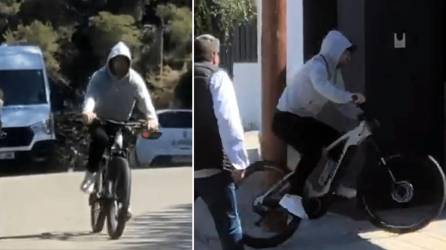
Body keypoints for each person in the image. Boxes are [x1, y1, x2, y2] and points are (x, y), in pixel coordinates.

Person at [273, 30, 366, 218]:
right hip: (285, 118)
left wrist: (360, 115)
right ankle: (293, 195)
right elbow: (324, 89)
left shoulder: (335, 73)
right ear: (335, 50)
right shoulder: (317, 66)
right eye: (346, 52)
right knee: (313, 150)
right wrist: (352, 96)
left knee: (339, 143)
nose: (349, 57)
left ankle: (330, 183)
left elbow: (339, 102)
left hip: (303, 119)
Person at [80, 41, 159, 204]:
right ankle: (91, 175)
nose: (121, 66)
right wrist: (88, 111)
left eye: (124, 62)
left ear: (129, 63)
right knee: (100, 140)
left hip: (121, 123)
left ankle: (123, 202)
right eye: (118, 61)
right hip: (99, 120)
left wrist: (152, 118)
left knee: (122, 151)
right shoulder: (99, 77)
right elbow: (91, 96)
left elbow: (145, 101)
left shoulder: (134, 80)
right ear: (111, 61)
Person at [194, 34, 250, 250]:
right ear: (215, 56)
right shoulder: (216, 77)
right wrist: (238, 161)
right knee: (228, 224)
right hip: (210, 165)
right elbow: (228, 121)